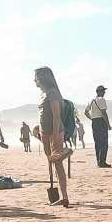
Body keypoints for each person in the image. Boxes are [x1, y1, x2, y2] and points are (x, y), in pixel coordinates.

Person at [35, 66, 72, 205]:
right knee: (54, 163)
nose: (34, 81)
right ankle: (62, 197)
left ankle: (65, 197)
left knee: (57, 163)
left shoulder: (52, 93)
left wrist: (55, 136)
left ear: (43, 78)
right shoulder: (44, 94)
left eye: (36, 78)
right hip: (46, 133)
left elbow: (56, 116)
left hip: (54, 133)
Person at [86, 85, 112, 168]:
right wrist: (108, 124)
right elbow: (104, 113)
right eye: (103, 91)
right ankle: (102, 162)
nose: (104, 92)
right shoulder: (102, 100)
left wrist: (92, 119)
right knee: (104, 143)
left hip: (94, 122)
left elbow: (86, 112)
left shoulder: (92, 100)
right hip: (101, 122)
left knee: (97, 143)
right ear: (100, 92)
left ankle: (99, 162)